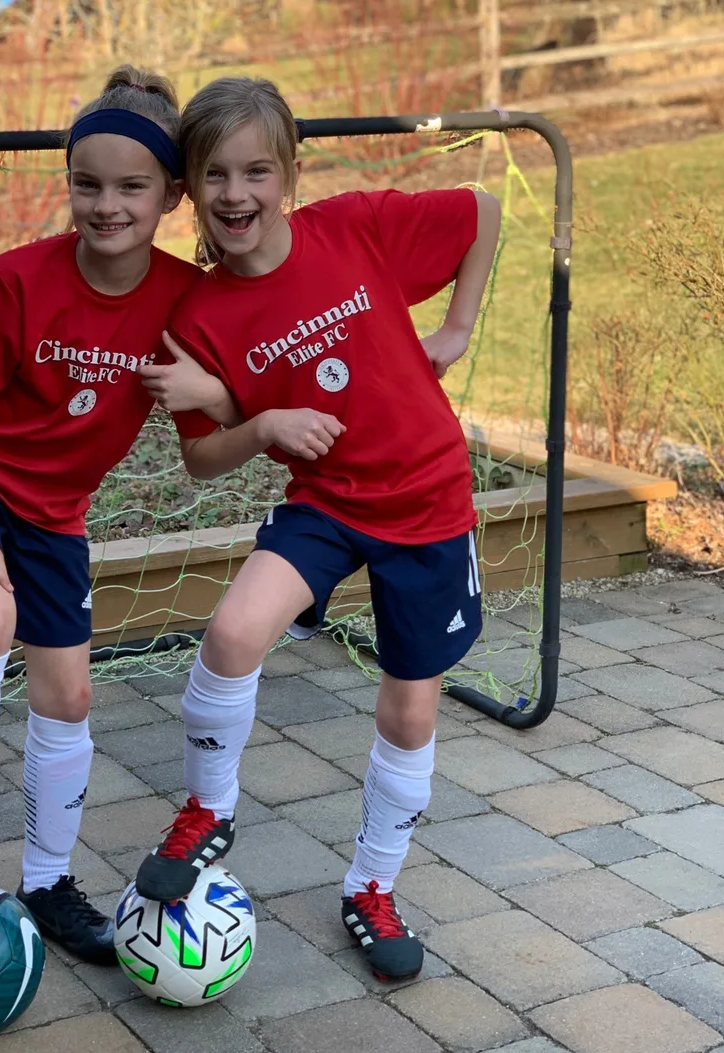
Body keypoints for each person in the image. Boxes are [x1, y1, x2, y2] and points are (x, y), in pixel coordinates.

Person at [136, 76, 501, 981]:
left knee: (410, 705)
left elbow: (483, 208)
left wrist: (455, 327)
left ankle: (371, 888)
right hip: (327, 502)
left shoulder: (355, 230)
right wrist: (257, 421)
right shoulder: (194, 322)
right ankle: (208, 809)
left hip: (425, 502)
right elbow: (203, 457)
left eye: (257, 170)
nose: (236, 194)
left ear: (290, 172)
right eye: (214, 174)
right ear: (190, 185)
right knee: (231, 631)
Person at [0, 66, 233, 964]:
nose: (105, 204)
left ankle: (49, 879)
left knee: (70, 691)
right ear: (68, 183)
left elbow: (208, 451)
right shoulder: (17, 280)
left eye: (131, 187)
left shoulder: (180, 302)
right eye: (86, 183)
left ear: (171, 195)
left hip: (54, 511)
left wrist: (234, 399)